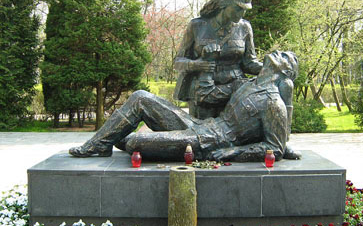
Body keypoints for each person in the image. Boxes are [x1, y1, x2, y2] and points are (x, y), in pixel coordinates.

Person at [69, 50, 300, 162]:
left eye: (288, 57)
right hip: (200, 125)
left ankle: (123, 139)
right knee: (141, 97)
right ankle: (98, 145)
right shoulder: (246, 84)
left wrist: (234, 151)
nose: (281, 52)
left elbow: (275, 148)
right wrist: (205, 69)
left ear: (286, 72)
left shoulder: (273, 103)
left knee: (134, 142)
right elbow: (208, 96)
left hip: (210, 142)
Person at [173, 0, 262, 119]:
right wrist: (197, 64)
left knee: (234, 136)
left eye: (245, 9)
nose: (242, 13)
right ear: (224, 5)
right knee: (202, 134)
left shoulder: (244, 27)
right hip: (203, 90)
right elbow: (178, 62)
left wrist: (271, 67)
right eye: (238, 8)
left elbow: (249, 63)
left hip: (234, 91)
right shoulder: (197, 26)